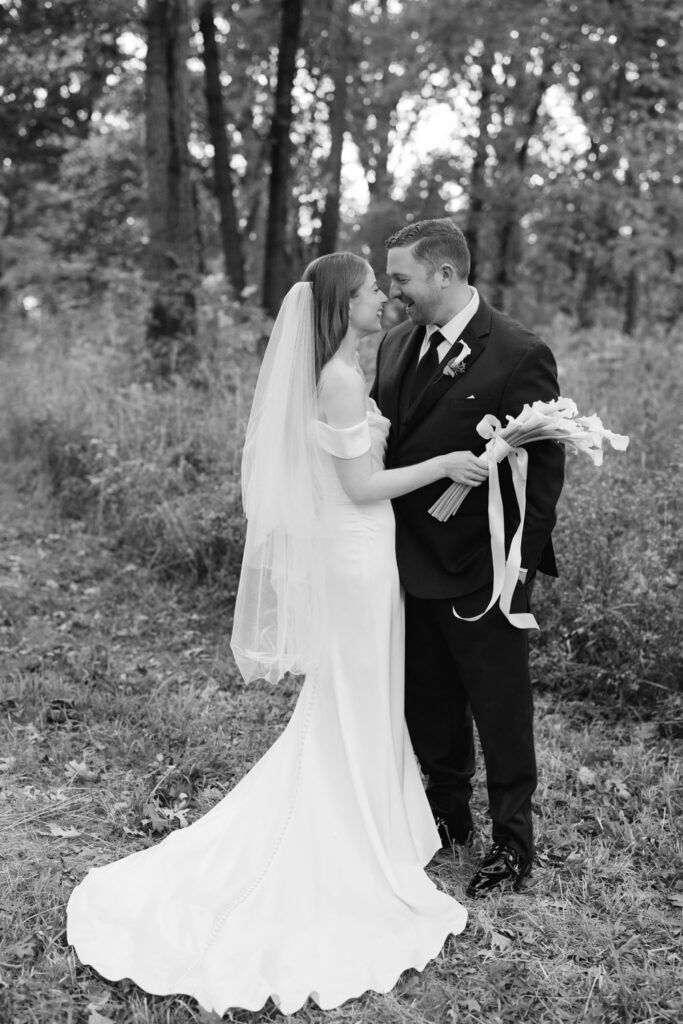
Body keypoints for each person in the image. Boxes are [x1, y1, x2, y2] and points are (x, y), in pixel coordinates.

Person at [66, 253, 489, 1015]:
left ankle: (379, 827)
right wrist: (446, 464)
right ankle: (355, 835)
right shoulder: (337, 377)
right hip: (358, 552)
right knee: (356, 694)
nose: (381, 303)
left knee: (362, 694)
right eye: (367, 293)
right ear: (339, 305)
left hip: (362, 549)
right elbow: (360, 485)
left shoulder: (343, 368)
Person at [371, 218, 565, 898]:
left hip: (484, 570)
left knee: (499, 708)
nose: (392, 291)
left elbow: (542, 474)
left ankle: (513, 843)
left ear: (445, 275)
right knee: (427, 701)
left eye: (401, 278)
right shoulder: (397, 343)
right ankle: (446, 816)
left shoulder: (516, 351)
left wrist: (517, 570)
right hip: (405, 560)